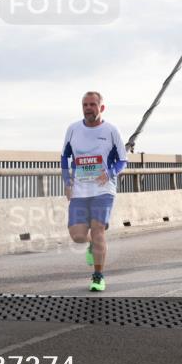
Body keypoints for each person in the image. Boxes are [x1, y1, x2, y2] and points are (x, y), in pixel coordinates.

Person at [61, 91, 127, 292]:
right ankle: (89, 244)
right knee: (78, 235)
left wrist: (111, 172)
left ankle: (98, 276)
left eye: (92, 104)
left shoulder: (111, 130)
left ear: (101, 107)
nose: (88, 108)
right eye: (85, 105)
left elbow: (123, 160)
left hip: (103, 190)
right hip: (80, 190)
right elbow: (65, 157)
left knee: (98, 230)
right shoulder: (73, 129)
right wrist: (67, 182)